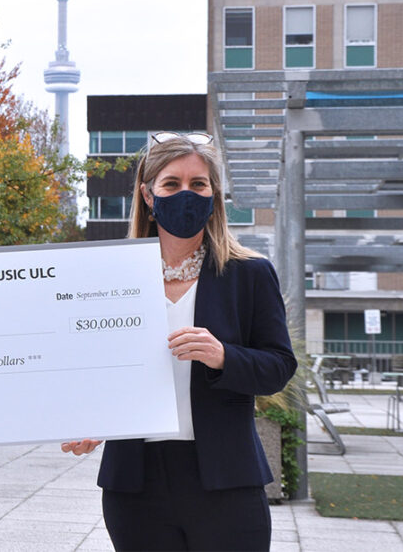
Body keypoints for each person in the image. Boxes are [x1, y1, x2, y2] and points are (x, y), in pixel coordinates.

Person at [62, 132, 297, 551]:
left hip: (227, 480)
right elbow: (85, 368)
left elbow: (279, 367)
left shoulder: (250, 274)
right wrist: (88, 418)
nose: (185, 194)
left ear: (214, 194)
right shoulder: (109, 277)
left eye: (198, 184)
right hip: (135, 486)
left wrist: (224, 356)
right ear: (148, 195)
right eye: (172, 184)